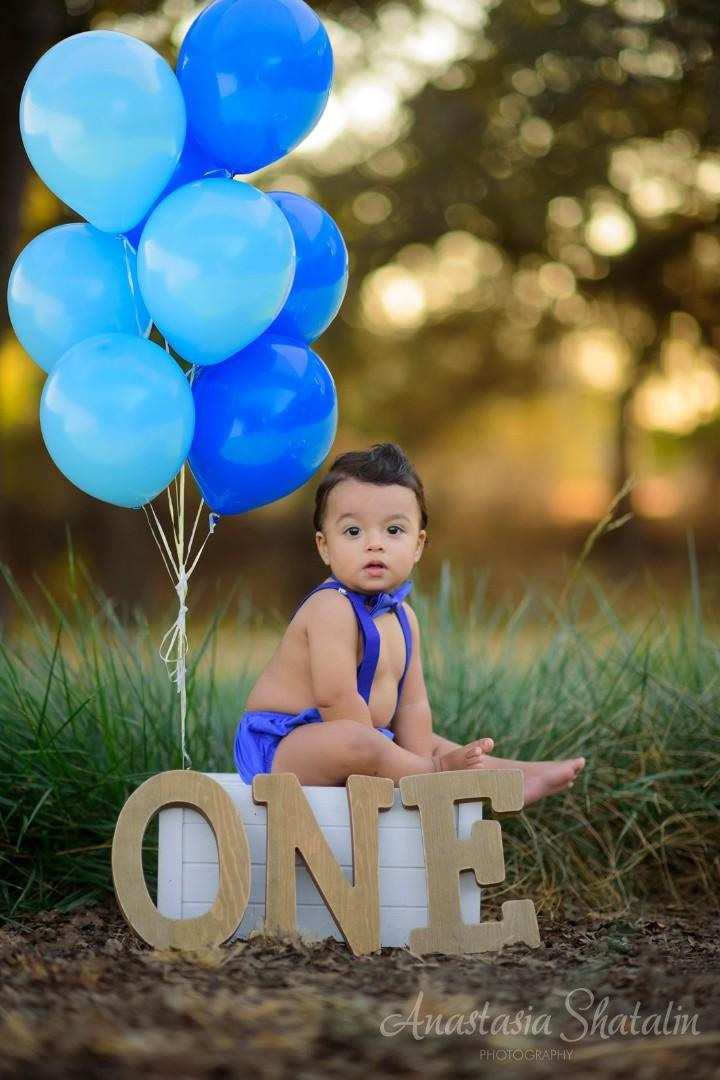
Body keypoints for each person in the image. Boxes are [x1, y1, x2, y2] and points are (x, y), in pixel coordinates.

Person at [234, 443, 585, 805]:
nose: (374, 544)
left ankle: (511, 776)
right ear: (325, 546)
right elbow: (334, 697)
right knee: (365, 743)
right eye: (353, 532)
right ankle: (434, 776)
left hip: (363, 736)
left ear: (418, 545)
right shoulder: (330, 607)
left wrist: (415, 757)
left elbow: (412, 705)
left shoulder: (403, 617)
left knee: (425, 741)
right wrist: (418, 768)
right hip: (285, 745)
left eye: (393, 531)